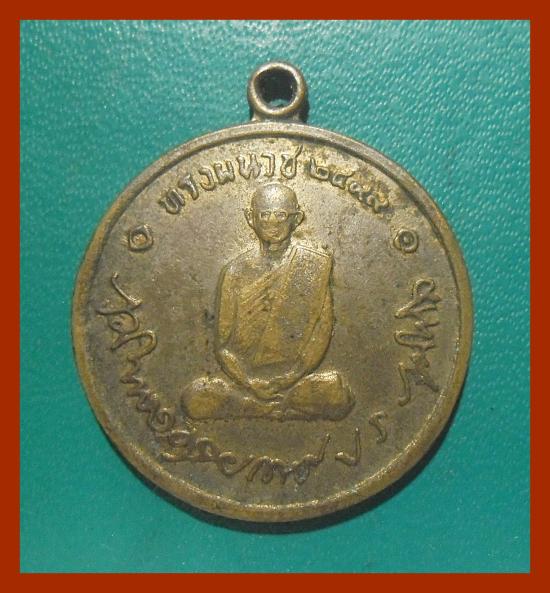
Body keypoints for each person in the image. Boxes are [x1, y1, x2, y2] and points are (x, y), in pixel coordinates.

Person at [182, 182, 354, 420]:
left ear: (297, 219)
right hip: (243, 381)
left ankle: (257, 408)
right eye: (264, 215)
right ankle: (276, 409)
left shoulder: (313, 266)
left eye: (281, 215)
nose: (273, 223)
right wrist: (249, 382)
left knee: (336, 393)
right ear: (251, 218)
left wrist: (291, 377)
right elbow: (223, 345)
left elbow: (321, 332)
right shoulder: (235, 271)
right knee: (196, 398)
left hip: (296, 380)